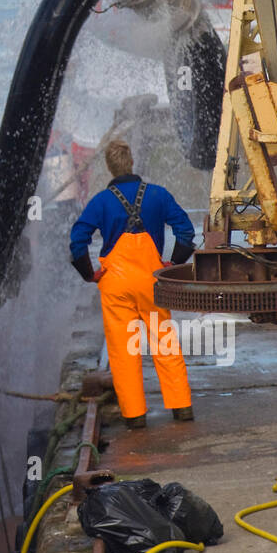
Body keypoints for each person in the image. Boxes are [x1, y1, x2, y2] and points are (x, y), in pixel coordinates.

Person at [69, 139, 195, 429]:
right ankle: (182, 407)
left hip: (116, 286)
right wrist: (172, 264)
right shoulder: (158, 195)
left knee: (124, 350)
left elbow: (77, 243)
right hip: (152, 282)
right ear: (132, 162)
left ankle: (135, 416)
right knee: (165, 343)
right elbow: (186, 232)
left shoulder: (100, 202)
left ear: (109, 167)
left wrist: (90, 274)